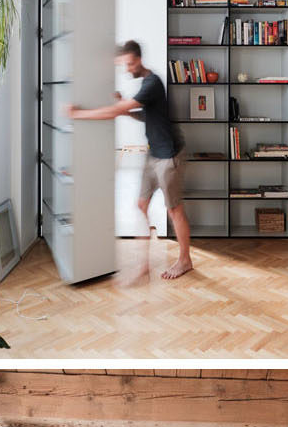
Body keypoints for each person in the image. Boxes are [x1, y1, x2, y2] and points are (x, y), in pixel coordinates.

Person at [64, 40, 193, 281]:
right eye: (124, 64)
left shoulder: (152, 83)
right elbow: (146, 116)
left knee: (174, 210)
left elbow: (113, 113)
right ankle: (144, 264)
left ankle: (185, 260)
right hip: (152, 153)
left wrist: (77, 114)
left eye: (129, 64)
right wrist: (124, 107)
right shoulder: (146, 83)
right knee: (141, 205)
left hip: (169, 156)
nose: (127, 69)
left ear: (138, 60)